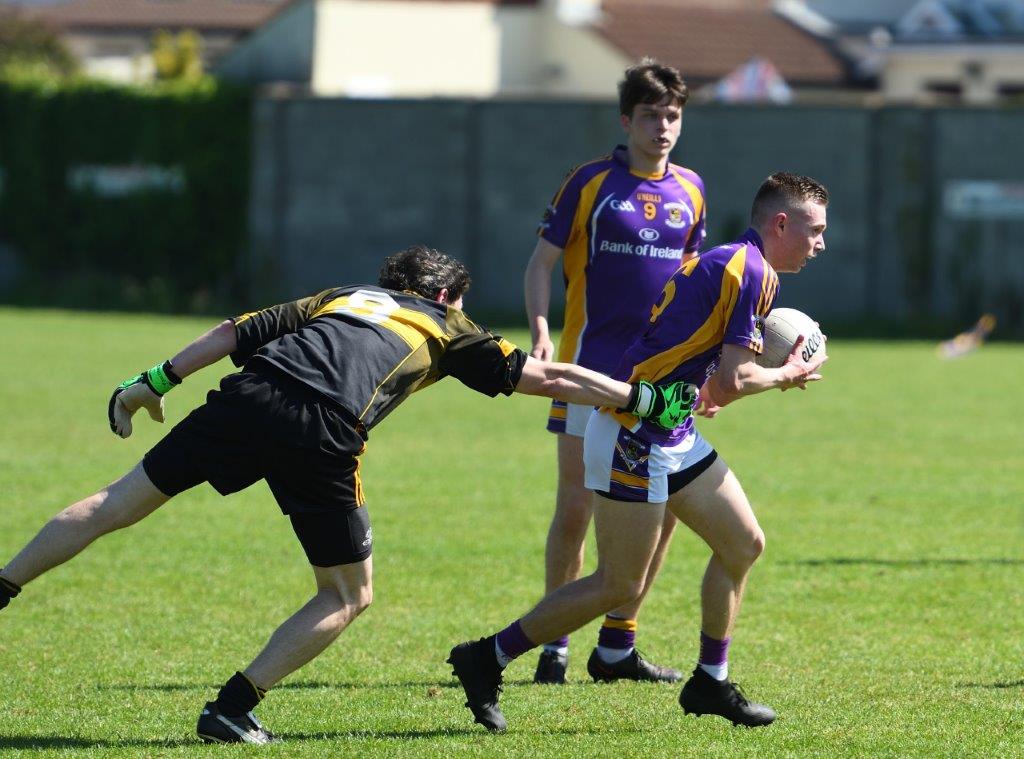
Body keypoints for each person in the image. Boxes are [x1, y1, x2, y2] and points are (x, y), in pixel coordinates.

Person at [0, 246, 692, 745]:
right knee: (347, 595)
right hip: (323, 426)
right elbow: (550, 376)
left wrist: (153, 380)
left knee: (116, 502)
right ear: (448, 295)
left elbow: (231, 332)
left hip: (248, 395)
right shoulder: (448, 325)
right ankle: (233, 707)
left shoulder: (342, 295)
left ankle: (4, 584)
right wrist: (641, 396)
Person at [450, 172, 830, 732]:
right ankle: (485, 657)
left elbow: (701, 365)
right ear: (781, 224)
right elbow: (733, 379)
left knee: (743, 544)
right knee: (619, 584)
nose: (820, 244)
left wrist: (711, 385)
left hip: (670, 431)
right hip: (634, 435)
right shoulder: (751, 271)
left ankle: (711, 681)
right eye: (815, 230)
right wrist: (786, 373)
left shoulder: (739, 264)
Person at [523, 57, 707, 685]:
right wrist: (543, 328)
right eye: (651, 115)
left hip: (659, 383)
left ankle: (618, 645)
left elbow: (693, 283)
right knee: (576, 506)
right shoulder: (590, 182)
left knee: (670, 506)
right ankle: (554, 645)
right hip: (584, 372)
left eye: (673, 116)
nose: (663, 127)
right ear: (626, 119)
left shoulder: (692, 191)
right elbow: (542, 264)